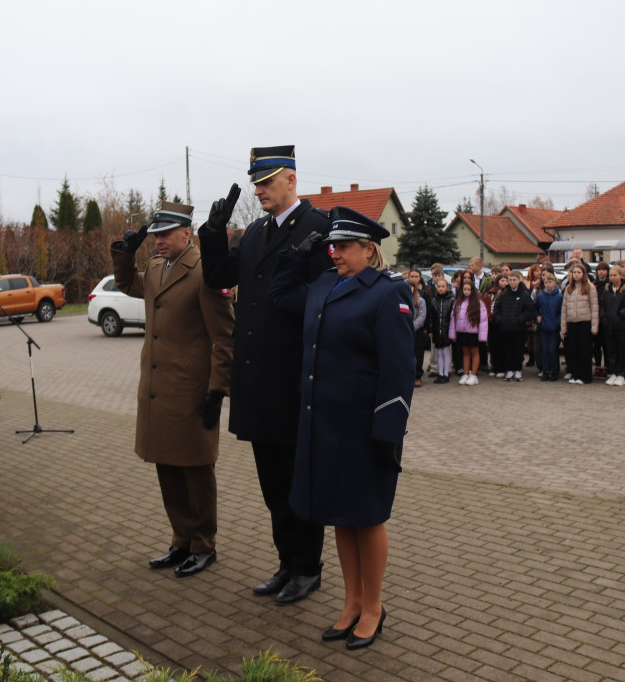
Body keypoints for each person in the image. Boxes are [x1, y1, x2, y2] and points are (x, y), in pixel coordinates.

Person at [270, 206, 414, 650]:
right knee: (340, 519)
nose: (335, 254)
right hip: (324, 425)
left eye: (344, 247)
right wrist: (299, 253)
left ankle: (373, 607)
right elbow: (280, 293)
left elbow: (399, 369)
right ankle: (351, 603)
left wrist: (390, 431)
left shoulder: (388, 293)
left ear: (370, 250)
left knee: (366, 520)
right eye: (331, 246)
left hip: (365, 429)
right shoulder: (325, 285)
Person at [198, 146, 329, 603]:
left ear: (291, 179)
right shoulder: (254, 233)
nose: (259, 190)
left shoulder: (319, 227)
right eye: (256, 182)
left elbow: (322, 303)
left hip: (293, 380)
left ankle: (308, 567)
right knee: (272, 484)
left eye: (267, 181)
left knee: (298, 482)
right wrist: (214, 233)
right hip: (256, 380)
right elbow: (217, 276)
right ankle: (286, 563)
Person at [111, 201, 235, 577]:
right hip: (158, 387)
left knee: (196, 470)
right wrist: (125, 254)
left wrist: (217, 390)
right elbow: (128, 284)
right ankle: (181, 540)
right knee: (167, 466)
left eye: (165, 235)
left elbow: (225, 337)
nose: (158, 242)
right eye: (154, 236)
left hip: (191, 388)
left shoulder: (204, 271)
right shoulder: (154, 267)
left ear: (187, 233)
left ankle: (204, 544)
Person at [561, 263, 598, 385]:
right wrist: (564, 328)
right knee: (573, 350)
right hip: (572, 322)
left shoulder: (590, 287)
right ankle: (576, 375)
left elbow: (594, 307)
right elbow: (564, 308)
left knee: (585, 350)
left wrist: (594, 326)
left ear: (583, 274)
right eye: (574, 273)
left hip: (585, 322)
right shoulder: (568, 288)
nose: (576, 275)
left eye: (579, 272)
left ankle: (585, 376)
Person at [599, 266, 625, 386]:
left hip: (622, 327)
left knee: (622, 351)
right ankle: (613, 372)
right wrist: (605, 318)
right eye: (611, 275)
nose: (612, 278)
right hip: (609, 327)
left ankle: (622, 374)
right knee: (611, 351)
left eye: (615, 275)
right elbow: (602, 306)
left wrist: (620, 315)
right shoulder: (606, 290)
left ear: (621, 276)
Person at [494, 271, 533, 382]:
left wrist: (519, 320)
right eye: (510, 280)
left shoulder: (525, 294)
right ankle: (510, 370)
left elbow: (529, 310)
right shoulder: (504, 294)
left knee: (519, 350)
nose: (511, 282)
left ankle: (518, 370)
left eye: (514, 280)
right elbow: (498, 309)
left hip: (519, 328)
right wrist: (500, 320)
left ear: (519, 280)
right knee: (508, 349)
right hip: (506, 328)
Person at [449, 281, 487, 386]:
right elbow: (453, 319)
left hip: (474, 333)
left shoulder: (479, 303)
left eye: (469, 289)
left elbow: (483, 321)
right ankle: (465, 373)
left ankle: (473, 374)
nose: (466, 291)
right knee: (465, 353)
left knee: (474, 353)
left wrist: (482, 336)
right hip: (462, 332)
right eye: (464, 289)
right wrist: (453, 334)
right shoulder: (458, 302)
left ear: (473, 290)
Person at [534, 271, 563, 381]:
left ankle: (554, 370)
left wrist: (557, 322)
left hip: (555, 327)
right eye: (546, 282)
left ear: (554, 283)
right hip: (544, 327)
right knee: (545, 350)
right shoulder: (541, 296)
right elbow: (535, 307)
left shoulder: (559, 296)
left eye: (550, 282)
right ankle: (545, 370)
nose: (548, 284)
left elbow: (561, 311)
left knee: (553, 350)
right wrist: (537, 316)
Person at [428, 278, 454, 384]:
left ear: (447, 287)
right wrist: (430, 330)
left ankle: (446, 373)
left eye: (443, 286)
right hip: (437, 331)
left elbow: (453, 317)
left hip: (447, 330)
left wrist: (452, 331)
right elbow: (431, 317)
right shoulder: (434, 300)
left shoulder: (452, 300)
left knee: (446, 351)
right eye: (439, 287)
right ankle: (440, 373)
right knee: (439, 352)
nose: (441, 289)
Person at [405, 269, 429, 387]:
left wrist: (411, 327)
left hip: (416, 332)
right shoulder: (401, 300)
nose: (410, 289)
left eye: (411, 287)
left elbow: (421, 317)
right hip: (403, 332)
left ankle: (417, 376)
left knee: (417, 354)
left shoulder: (421, 301)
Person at [485, 274, 509, 377]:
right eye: (502, 280)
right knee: (493, 346)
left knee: (501, 346)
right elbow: (486, 303)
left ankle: (502, 368)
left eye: (505, 281)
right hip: (491, 323)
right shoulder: (491, 292)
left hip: (501, 322)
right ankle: (494, 367)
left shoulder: (507, 293)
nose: (504, 283)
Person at [592, 262, 610, 377]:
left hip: (607, 319)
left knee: (607, 345)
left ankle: (607, 366)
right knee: (596, 345)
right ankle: (598, 366)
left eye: (604, 270)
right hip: (596, 319)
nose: (601, 272)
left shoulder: (610, 285)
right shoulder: (594, 285)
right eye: (599, 270)